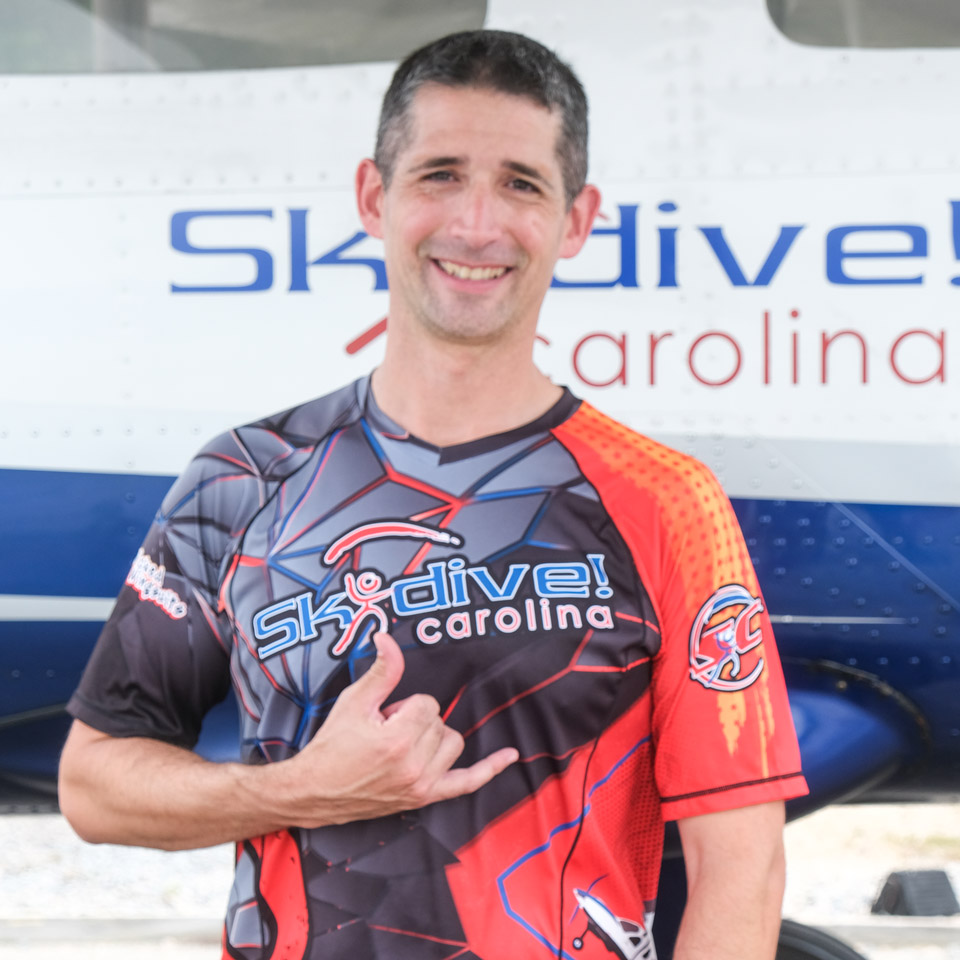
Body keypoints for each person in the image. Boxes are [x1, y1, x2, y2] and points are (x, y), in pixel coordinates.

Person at [59, 29, 807, 960]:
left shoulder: (667, 503)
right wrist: (296, 790)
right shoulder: (242, 479)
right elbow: (94, 787)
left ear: (576, 220)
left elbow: (743, 867)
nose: (477, 225)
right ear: (376, 196)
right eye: (441, 174)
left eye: (521, 184)